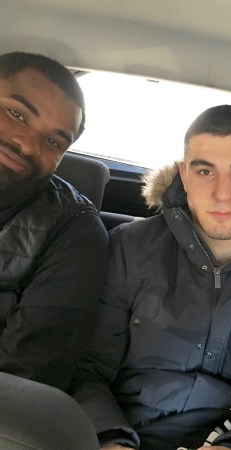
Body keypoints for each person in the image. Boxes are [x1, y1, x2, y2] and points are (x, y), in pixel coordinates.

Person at [70, 105, 231, 450]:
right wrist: (110, 439)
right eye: (205, 171)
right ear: (184, 174)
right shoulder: (130, 247)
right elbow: (85, 367)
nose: (222, 193)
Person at [0, 51, 108, 390]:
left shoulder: (74, 232)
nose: (27, 145)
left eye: (53, 141)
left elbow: (23, 385)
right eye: (17, 114)